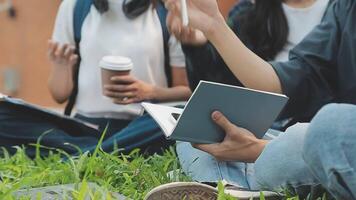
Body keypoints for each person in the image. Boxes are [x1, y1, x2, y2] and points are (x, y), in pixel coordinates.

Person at [148, 0, 356, 199]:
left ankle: (242, 177)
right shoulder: (346, 8)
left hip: (326, 134)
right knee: (200, 123)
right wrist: (213, 25)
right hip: (296, 132)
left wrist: (258, 150)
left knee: (327, 128)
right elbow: (288, 82)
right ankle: (233, 189)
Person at [46, 0, 191, 153]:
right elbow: (59, 95)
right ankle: (97, 152)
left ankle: (91, 154)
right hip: (88, 126)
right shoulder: (75, 7)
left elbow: (187, 91)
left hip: (144, 127)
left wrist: (151, 92)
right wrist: (61, 65)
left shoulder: (166, 10)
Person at [179, 0, 332, 128]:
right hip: (261, 123)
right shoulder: (249, 14)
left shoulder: (342, 13)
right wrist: (198, 46)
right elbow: (217, 90)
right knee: (191, 139)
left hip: (319, 123)